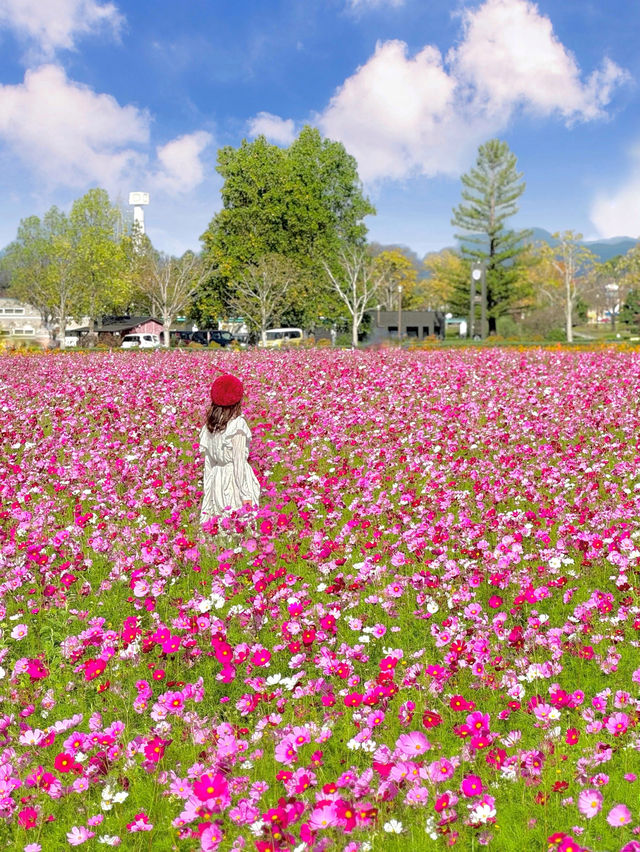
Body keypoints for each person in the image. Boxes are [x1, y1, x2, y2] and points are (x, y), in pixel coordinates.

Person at [199, 374, 260, 524]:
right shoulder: (237, 426)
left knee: (219, 523)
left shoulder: (210, 426)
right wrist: (246, 495)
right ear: (238, 400)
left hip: (216, 479)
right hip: (234, 481)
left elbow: (208, 464)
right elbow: (239, 463)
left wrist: (208, 492)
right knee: (237, 523)